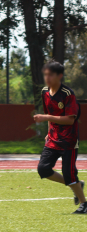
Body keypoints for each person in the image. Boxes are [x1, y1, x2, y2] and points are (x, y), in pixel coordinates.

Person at [34, 60, 86, 214]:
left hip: (68, 141)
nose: (47, 78)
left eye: (51, 75)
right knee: (43, 169)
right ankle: (77, 185)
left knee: (69, 174)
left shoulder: (68, 94)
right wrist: (48, 131)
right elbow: (50, 115)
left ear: (60, 76)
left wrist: (45, 117)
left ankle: (84, 203)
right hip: (53, 139)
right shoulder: (45, 92)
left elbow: (70, 120)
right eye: (45, 75)